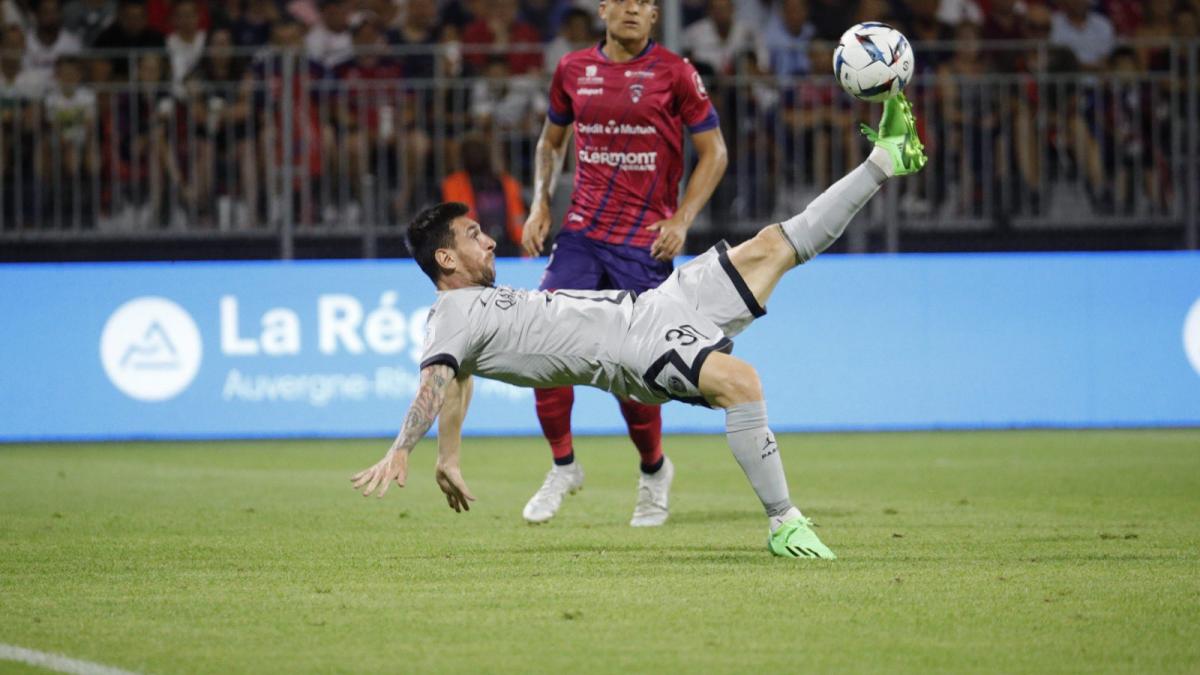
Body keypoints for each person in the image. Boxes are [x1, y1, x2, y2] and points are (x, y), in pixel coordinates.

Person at [351, 94, 928, 559]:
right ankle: (784, 522)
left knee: (773, 245)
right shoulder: (448, 315)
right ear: (445, 260)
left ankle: (884, 161)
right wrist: (404, 447)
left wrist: (448, 456)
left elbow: (459, 379)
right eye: (475, 235)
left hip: (651, 304)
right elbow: (436, 380)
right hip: (633, 352)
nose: (491, 239)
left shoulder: (474, 310)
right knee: (742, 382)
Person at [518, 0, 728, 528]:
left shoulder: (676, 73)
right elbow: (551, 141)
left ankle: (654, 472)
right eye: (623, 0)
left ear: (654, 16)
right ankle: (563, 465)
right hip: (583, 235)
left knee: (634, 375)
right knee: (543, 342)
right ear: (603, 9)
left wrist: (682, 218)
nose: (633, 9)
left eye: (644, 3)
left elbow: (715, 152)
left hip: (644, 243)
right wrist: (541, 202)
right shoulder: (572, 70)